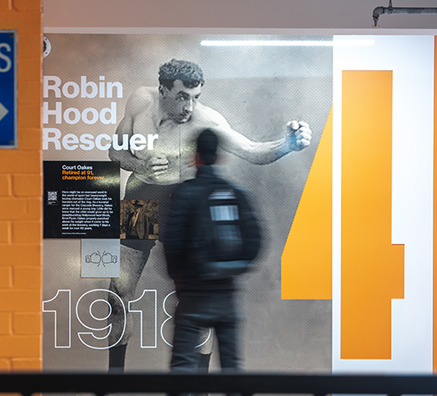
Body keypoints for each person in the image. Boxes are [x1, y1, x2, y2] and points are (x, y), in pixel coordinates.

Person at [106, 58, 311, 372]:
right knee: (118, 292)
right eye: (182, 96)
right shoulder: (139, 101)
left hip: (183, 203)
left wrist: (288, 145)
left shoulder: (208, 121)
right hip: (141, 198)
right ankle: (114, 380)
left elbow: (253, 151)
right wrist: (139, 165)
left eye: (195, 97)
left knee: (195, 296)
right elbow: (116, 152)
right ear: (162, 89)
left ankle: (199, 382)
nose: (189, 105)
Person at [135, 128, 261, 396]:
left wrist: (184, 279)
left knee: (181, 374)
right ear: (220, 156)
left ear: (195, 156)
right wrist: (230, 271)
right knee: (232, 373)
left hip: (192, 298)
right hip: (227, 297)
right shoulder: (237, 194)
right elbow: (255, 243)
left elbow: (170, 244)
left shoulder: (183, 193)